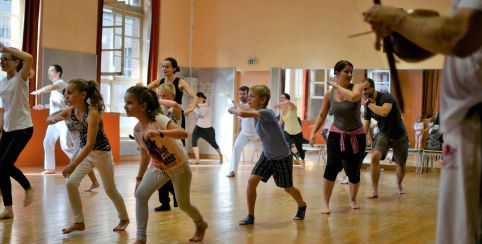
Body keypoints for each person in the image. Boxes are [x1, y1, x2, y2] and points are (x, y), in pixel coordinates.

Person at [364, 4, 482, 243]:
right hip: (464, 130)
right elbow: (454, 42)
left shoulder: (384, 98)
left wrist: (398, 19)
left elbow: (458, 34)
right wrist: (405, 33)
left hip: (473, 129)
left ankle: (398, 185)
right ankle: (376, 188)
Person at [124, 86, 207, 243]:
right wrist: (139, 178)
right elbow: (144, 156)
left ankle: (201, 224)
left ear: (143, 106)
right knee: (140, 195)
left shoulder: (158, 119)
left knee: (183, 204)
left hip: (178, 167)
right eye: (125, 102)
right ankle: (140, 238)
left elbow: (183, 133)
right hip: (158, 167)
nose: (125, 106)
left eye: (129, 103)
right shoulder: (137, 131)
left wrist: (160, 132)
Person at [51, 78, 129, 234]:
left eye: (70, 93)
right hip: (86, 152)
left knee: (110, 189)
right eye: (65, 94)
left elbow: (89, 145)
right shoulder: (71, 111)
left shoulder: (92, 113)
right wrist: (53, 118)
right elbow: (50, 119)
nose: (66, 97)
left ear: (83, 94)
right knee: (71, 183)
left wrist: (72, 164)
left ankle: (124, 218)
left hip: (101, 153)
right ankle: (78, 222)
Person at [228, 85, 307, 225]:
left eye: (252, 96)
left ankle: (302, 205)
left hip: (282, 157)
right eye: (249, 96)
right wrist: (238, 106)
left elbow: (244, 113)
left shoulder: (267, 112)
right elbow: (245, 109)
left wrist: (232, 110)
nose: (249, 98)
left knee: (288, 188)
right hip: (267, 155)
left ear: (263, 100)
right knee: (252, 181)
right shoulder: (256, 111)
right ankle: (250, 215)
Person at [308, 60, 366, 214]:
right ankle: (325, 203)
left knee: (353, 170)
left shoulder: (357, 87)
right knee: (331, 167)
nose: (349, 74)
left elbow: (353, 97)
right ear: (337, 73)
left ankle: (352, 199)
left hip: (356, 136)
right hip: (336, 135)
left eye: (350, 71)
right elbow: (322, 115)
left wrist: (337, 86)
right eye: (346, 71)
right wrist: (313, 132)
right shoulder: (330, 93)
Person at [0, 42, 35, 219]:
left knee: (3, 165)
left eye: (6, 59)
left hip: (23, 128)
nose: (2, 62)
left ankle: (28, 187)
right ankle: (8, 209)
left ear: (16, 62)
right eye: (1, 60)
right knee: (0, 167)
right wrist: (1, 128)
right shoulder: (2, 82)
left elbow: (29, 57)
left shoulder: (21, 78)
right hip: (8, 129)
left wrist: (5, 48)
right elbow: (5, 108)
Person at [361, 78, 409, 198]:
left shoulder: (386, 97)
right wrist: (360, 141)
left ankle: (399, 184)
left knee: (401, 164)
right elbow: (365, 127)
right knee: (375, 157)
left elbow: (384, 112)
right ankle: (374, 190)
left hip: (400, 136)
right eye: (362, 89)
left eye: (366, 89)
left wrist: (368, 104)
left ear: (373, 87)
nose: (364, 92)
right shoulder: (368, 107)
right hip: (384, 135)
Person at [31, 64, 74, 174]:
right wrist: (43, 107)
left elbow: (49, 88)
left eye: (51, 71)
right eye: (48, 70)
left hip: (64, 119)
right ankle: (50, 168)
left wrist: (38, 91)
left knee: (65, 146)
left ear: (58, 73)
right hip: (54, 120)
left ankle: (82, 162)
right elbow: (56, 104)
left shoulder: (61, 83)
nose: (49, 73)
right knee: (47, 142)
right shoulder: (56, 87)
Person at [152, 82, 180, 211]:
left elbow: (175, 108)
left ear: (173, 95)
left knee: (170, 173)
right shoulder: (159, 110)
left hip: (172, 145)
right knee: (160, 172)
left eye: (164, 96)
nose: (161, 98)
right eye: (160, 95)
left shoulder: (174, 108)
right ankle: (165, 202)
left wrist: (159, 100)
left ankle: (176, 196)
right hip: (160, 145)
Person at [227, 86, 259, 177]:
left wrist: (234, 107)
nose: (241, 96)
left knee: (265, 152)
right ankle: (232, 170)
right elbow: (240, 120)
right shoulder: (240, 105)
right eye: (240, 94)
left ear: (248, 94)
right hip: (244, 133)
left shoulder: (252, 103)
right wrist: (238, 132)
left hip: (257, 134)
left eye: (243, 94)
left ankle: (268, 172)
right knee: (236, 147)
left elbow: (246, 108)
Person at [273, 93, 305, 167]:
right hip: (287, 131)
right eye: (280, 98)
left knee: (299, 148)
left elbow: (288, 102)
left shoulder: (292, 107)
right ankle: (286, 162)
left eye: (283, 98)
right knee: (286, 146)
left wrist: (278, 105)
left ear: (287, 99)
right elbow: (280, 122)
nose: (281, 99)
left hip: (297, 131)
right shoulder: (281, 111)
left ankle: (303, 161)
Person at [191, 92, 223, 164]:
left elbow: (201, 114)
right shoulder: (196, 106)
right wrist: (195, 113)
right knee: (193, 140)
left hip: (208, 128)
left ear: (203, 98)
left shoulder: (206, 106)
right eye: (197, 98)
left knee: (213, 143)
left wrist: (194, 108)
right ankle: (197, 159)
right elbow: (197, 114)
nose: (198, 99)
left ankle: (220, 155)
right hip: (198, 127)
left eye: (199, 98)